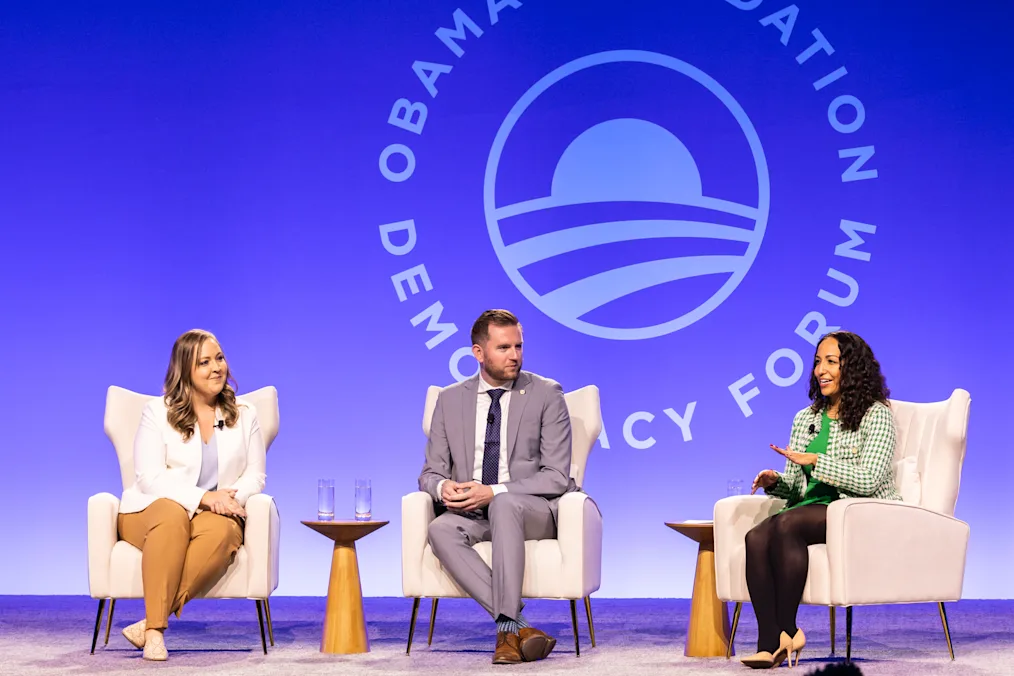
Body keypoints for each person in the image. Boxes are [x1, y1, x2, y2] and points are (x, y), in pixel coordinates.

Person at [419, 310, 575, 665]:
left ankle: (506, 635)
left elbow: (556, 477)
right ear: (478, 352)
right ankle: (517, 624)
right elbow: (429, 472)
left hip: (530, 510)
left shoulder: (546, 394)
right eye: (504, 347)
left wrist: (495, 491)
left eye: (518, 346)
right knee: (439, 529)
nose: (515, 355)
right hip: (472, 510)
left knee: (504, 504)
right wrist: (443, 487)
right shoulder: (449, 400)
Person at [742, 331, 900, 669]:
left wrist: (817, 461)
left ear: (852, 368)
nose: (820, 370)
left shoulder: (876, 415)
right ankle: (770, 642)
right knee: (754, 537)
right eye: (817, 362)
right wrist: (776, 483)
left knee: (786, 524)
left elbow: (869, 480)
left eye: (831, 361)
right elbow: (798, 490)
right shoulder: (806, 418)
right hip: (810, 510)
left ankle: (786, 630)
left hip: (857, 510)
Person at [116, 329, 266, 661]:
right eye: (205, 362)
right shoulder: (157, 412)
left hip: (213, 515)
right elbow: (149, 477)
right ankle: (156, 631)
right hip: (149, 511)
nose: (217, 367)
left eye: (220, 358)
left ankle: (152, 624)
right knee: (171, 517)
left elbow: (256, 474)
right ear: (185, 370)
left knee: (226, 532)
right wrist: (204, 497)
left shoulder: (244, 414)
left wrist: (229, 498)